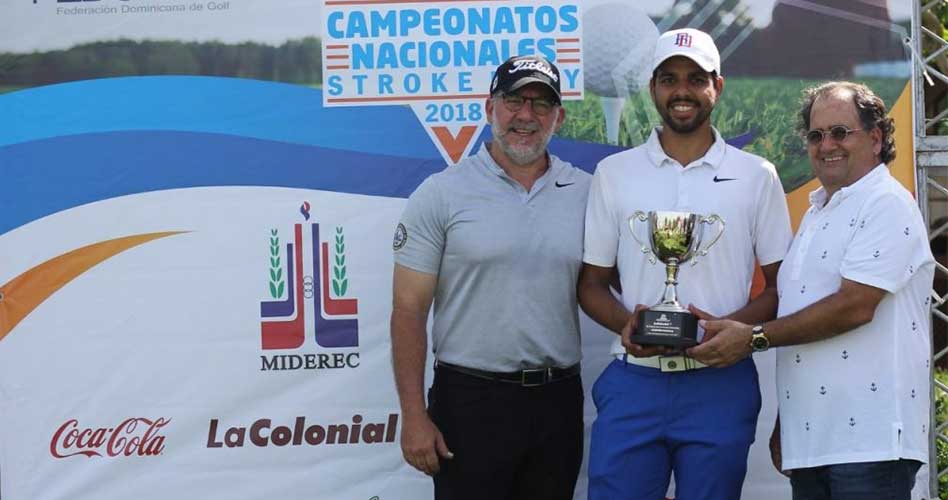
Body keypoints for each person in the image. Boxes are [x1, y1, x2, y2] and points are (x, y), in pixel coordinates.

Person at [578, 28, 793, 499]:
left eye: (696, 78)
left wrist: (726, 331)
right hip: (635, 381)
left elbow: (782, 289)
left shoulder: (757, 176)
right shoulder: (615, 174)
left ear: (718, 86)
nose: (682, 91)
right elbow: (591, 284)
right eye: (669, 78)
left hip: (720, 382)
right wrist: (629, 324)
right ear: (653, 87)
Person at [700, 81, 935, 499]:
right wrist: (785, 421)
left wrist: (753, 338)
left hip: (871, 445)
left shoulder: (886, 202)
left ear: (876, 138)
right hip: (813, 444)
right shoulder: (816, 212)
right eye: (816, 135)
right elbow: (803, 320)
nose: (827, 144)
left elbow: (854, 307)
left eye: (840, 132)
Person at [389, 54, 590, 500]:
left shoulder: (587, 192)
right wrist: (414, 415)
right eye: (514, 99)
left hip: (557, 401)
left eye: (542, 104)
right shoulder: (442, 192)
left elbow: (604, 284)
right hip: (469, 400)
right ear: (489, 107)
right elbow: (408, 309)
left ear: (559, 117)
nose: (526, 115)